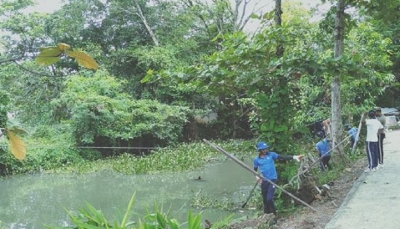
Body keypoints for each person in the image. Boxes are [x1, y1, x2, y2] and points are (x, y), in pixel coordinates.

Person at [253, 142, 304, 223]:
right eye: (264, 149)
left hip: (272, 180)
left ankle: (274, 216)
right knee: (265, 200)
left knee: (269, 199)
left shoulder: (271, 155)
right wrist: (257, 176)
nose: (266, 150)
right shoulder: (256, 159)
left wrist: (295, 157)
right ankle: (266, 216)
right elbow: (255, 170)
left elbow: (282, 157)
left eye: (266, 148)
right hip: (264, 181)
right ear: (260, 150)